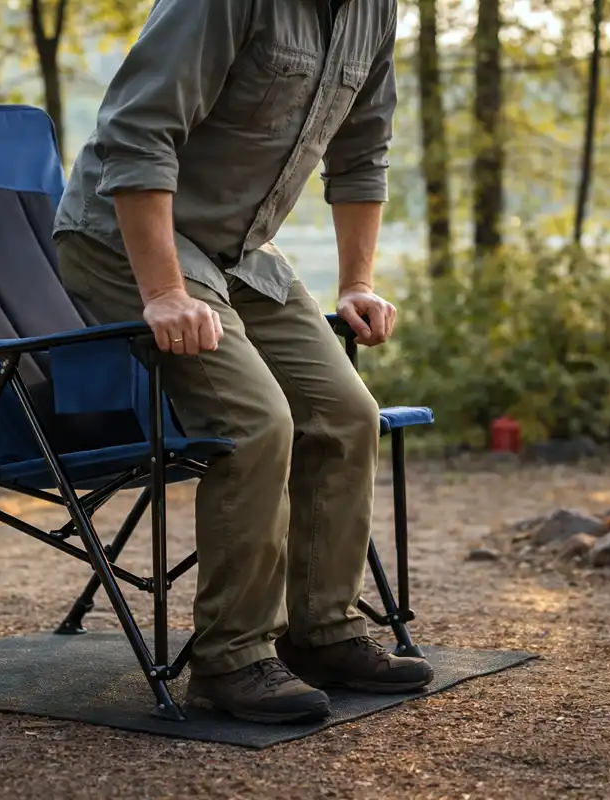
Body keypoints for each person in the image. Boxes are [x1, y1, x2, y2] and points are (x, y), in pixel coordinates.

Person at [53, 0, 433, 724]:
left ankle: (322, 632)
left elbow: (363, 151)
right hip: (122, 242)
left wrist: (356, 283)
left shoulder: (376, 11)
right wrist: (162, 292)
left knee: (348, 413)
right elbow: (138, 132)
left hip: (239, 255)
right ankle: (231, 660)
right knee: (257, 421)